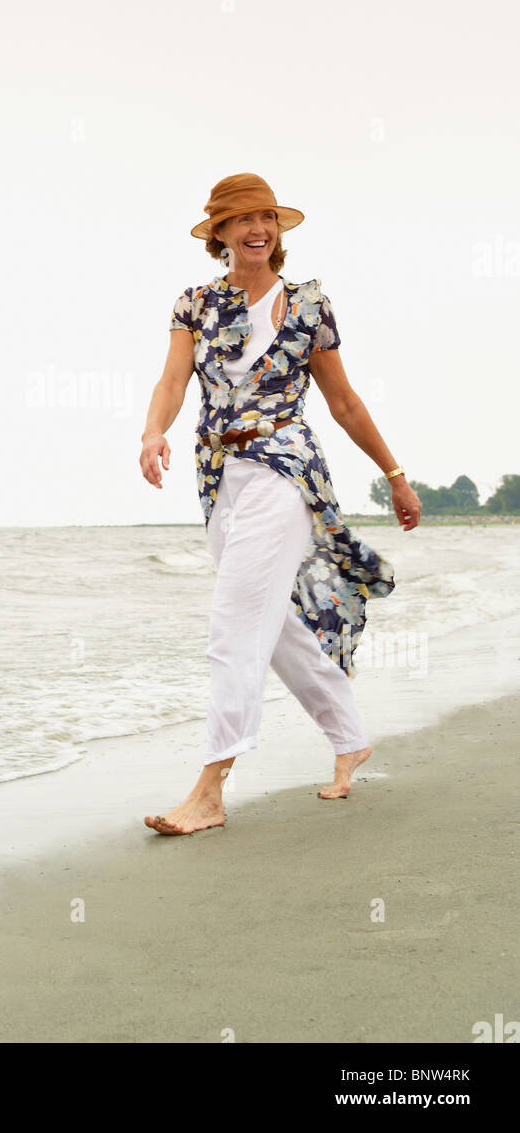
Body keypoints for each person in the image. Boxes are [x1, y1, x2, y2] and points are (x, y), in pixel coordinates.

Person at [139, 173, 422, 836]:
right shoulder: (194, 304)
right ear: (219, 233)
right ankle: (349, 737)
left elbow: (343, 402)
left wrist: (395, 474)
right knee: (276, 624)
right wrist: (153, 432)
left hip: (285, 467)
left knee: (234, 623)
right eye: (242, 219)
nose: (257, 228)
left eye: (265, 217)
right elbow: (173, 379)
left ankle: (210, 789)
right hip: (218, 476)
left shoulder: (307, 306)